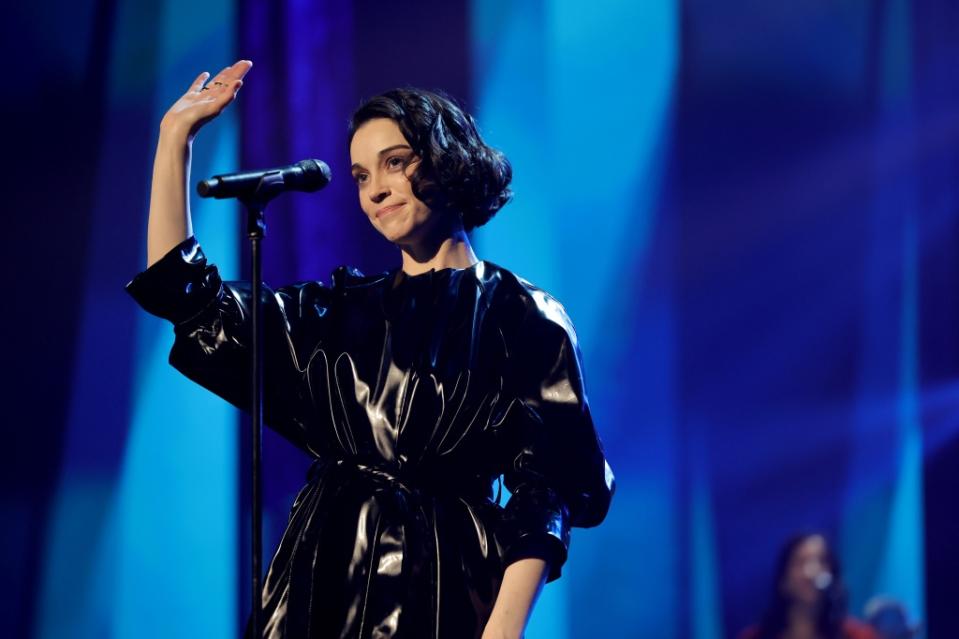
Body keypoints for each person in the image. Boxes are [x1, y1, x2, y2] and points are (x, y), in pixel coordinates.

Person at [125, 60, 615, 639]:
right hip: (318, 586)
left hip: (442, 589)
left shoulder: (523, 316)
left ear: (447, 159)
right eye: (360, 176)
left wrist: (502, 631)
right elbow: (189, 298)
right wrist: (173, 138)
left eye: (396, 162)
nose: (376, 188)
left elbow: (548, 489)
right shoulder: (338, 312)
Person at [739, 533, 877, 639]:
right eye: (800, 562)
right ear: (782, 580)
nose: (812, 572)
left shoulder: (857, 635)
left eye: (822, 561)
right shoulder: (756, 636)